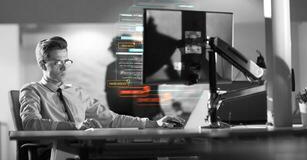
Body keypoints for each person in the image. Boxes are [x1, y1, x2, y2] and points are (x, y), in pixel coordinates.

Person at [19, 36, 184, 132]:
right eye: (57, 63)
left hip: (81, 151)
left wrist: (154, 123)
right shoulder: (31, 90)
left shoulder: (76, 92)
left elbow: (112, 119)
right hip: (54, 153)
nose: (63, 67)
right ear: (42, 65)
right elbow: (30, 123)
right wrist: (74, 127)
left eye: (66, 61)